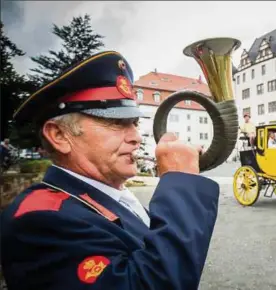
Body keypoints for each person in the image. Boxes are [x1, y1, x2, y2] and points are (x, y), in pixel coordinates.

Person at [0, 51, 220, 289]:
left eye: (134, 123)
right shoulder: (40, 219)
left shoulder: (105, 194)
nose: (136, 137)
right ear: (59, 135)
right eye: (116, 123)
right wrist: (181, 183)